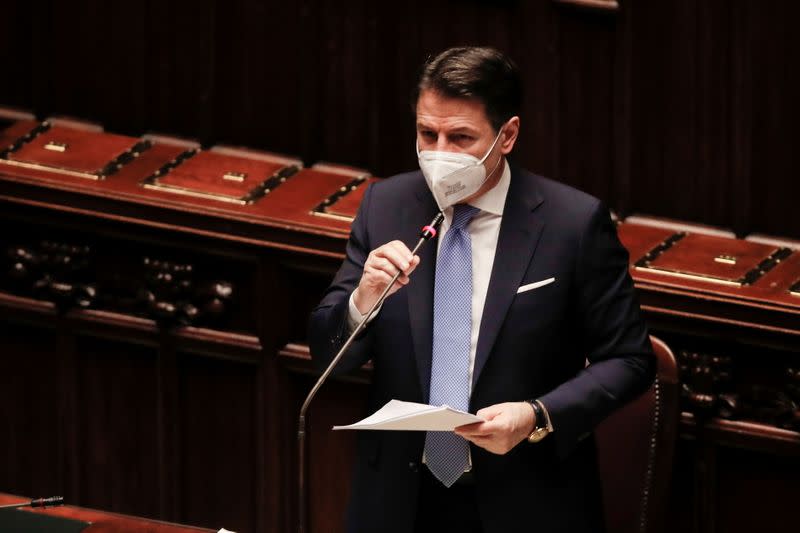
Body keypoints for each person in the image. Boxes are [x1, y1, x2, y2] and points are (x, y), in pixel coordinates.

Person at [308, 46, 655, 533]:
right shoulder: (386, 205)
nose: (440, 154)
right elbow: (326, 357)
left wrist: (536, 416)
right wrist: (361, 301)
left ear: (507, 135)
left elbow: (631, 360)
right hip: (398, 499)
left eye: (461, 138)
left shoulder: (572, 224)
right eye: (428, 134)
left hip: (525, 500)